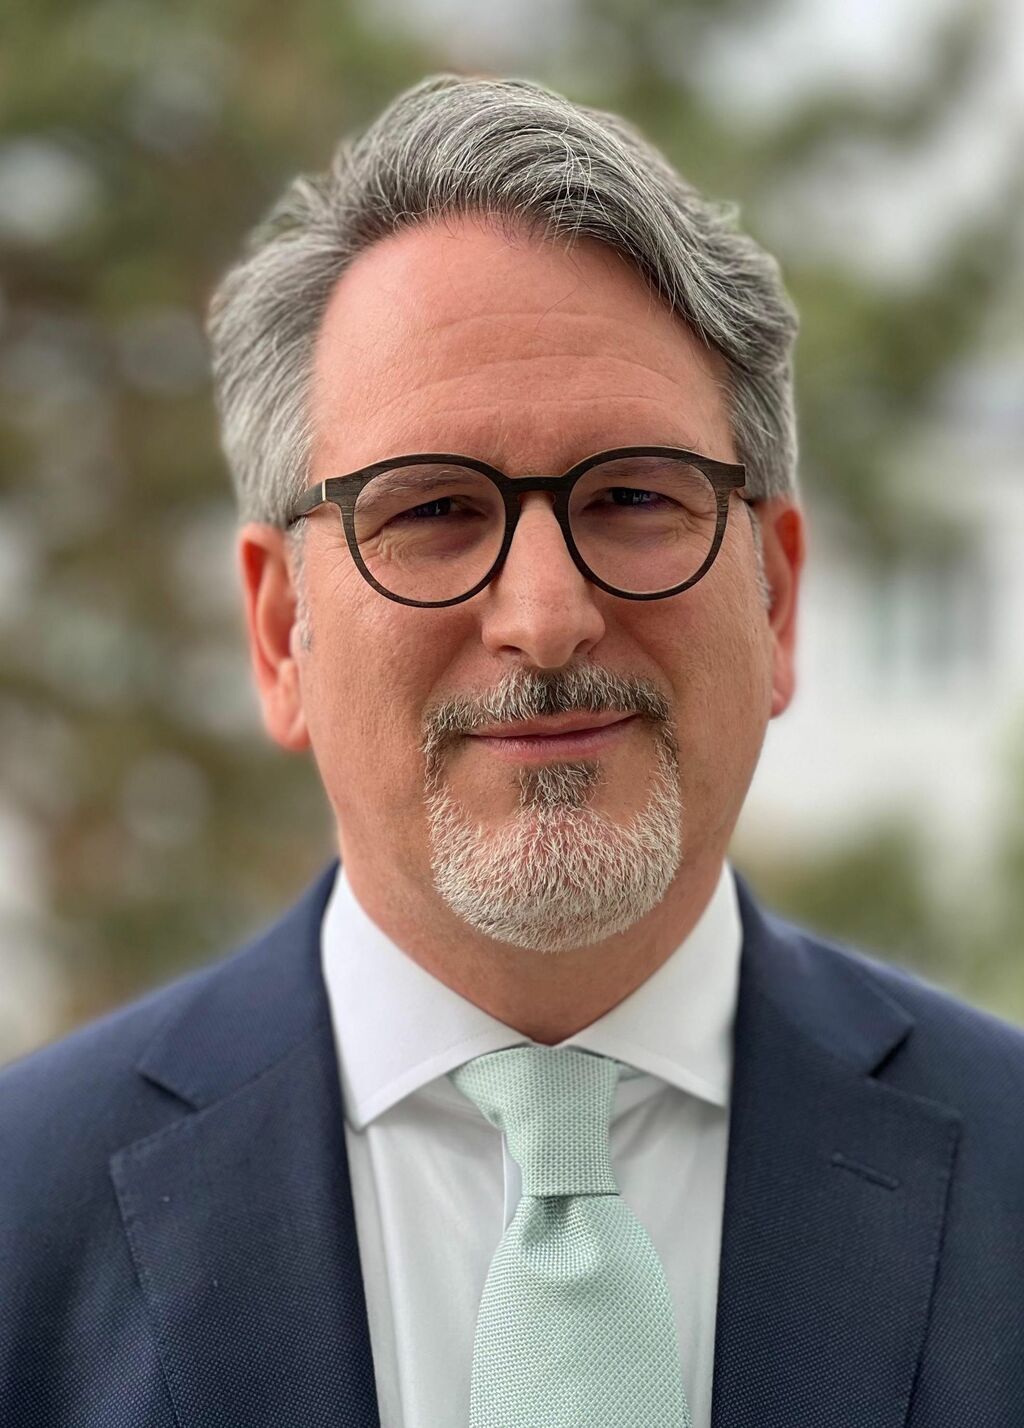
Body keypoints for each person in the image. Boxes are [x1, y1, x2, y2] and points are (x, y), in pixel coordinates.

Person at [1, 72, 1021, 1428]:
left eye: (634, 496)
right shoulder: (23, 1220)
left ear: (775, 600)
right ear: (280, 630)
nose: (545, 618)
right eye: (432, 512)